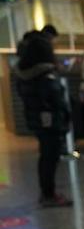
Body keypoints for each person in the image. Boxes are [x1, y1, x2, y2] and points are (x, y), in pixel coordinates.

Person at [16, 28, 72, 207]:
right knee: (50, 157)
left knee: (45, 157)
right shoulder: (44, 75)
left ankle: (47, 193)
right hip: (49, 121)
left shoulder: (25, 75)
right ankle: (48, 195)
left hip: (39, 120)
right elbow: (55, 99)